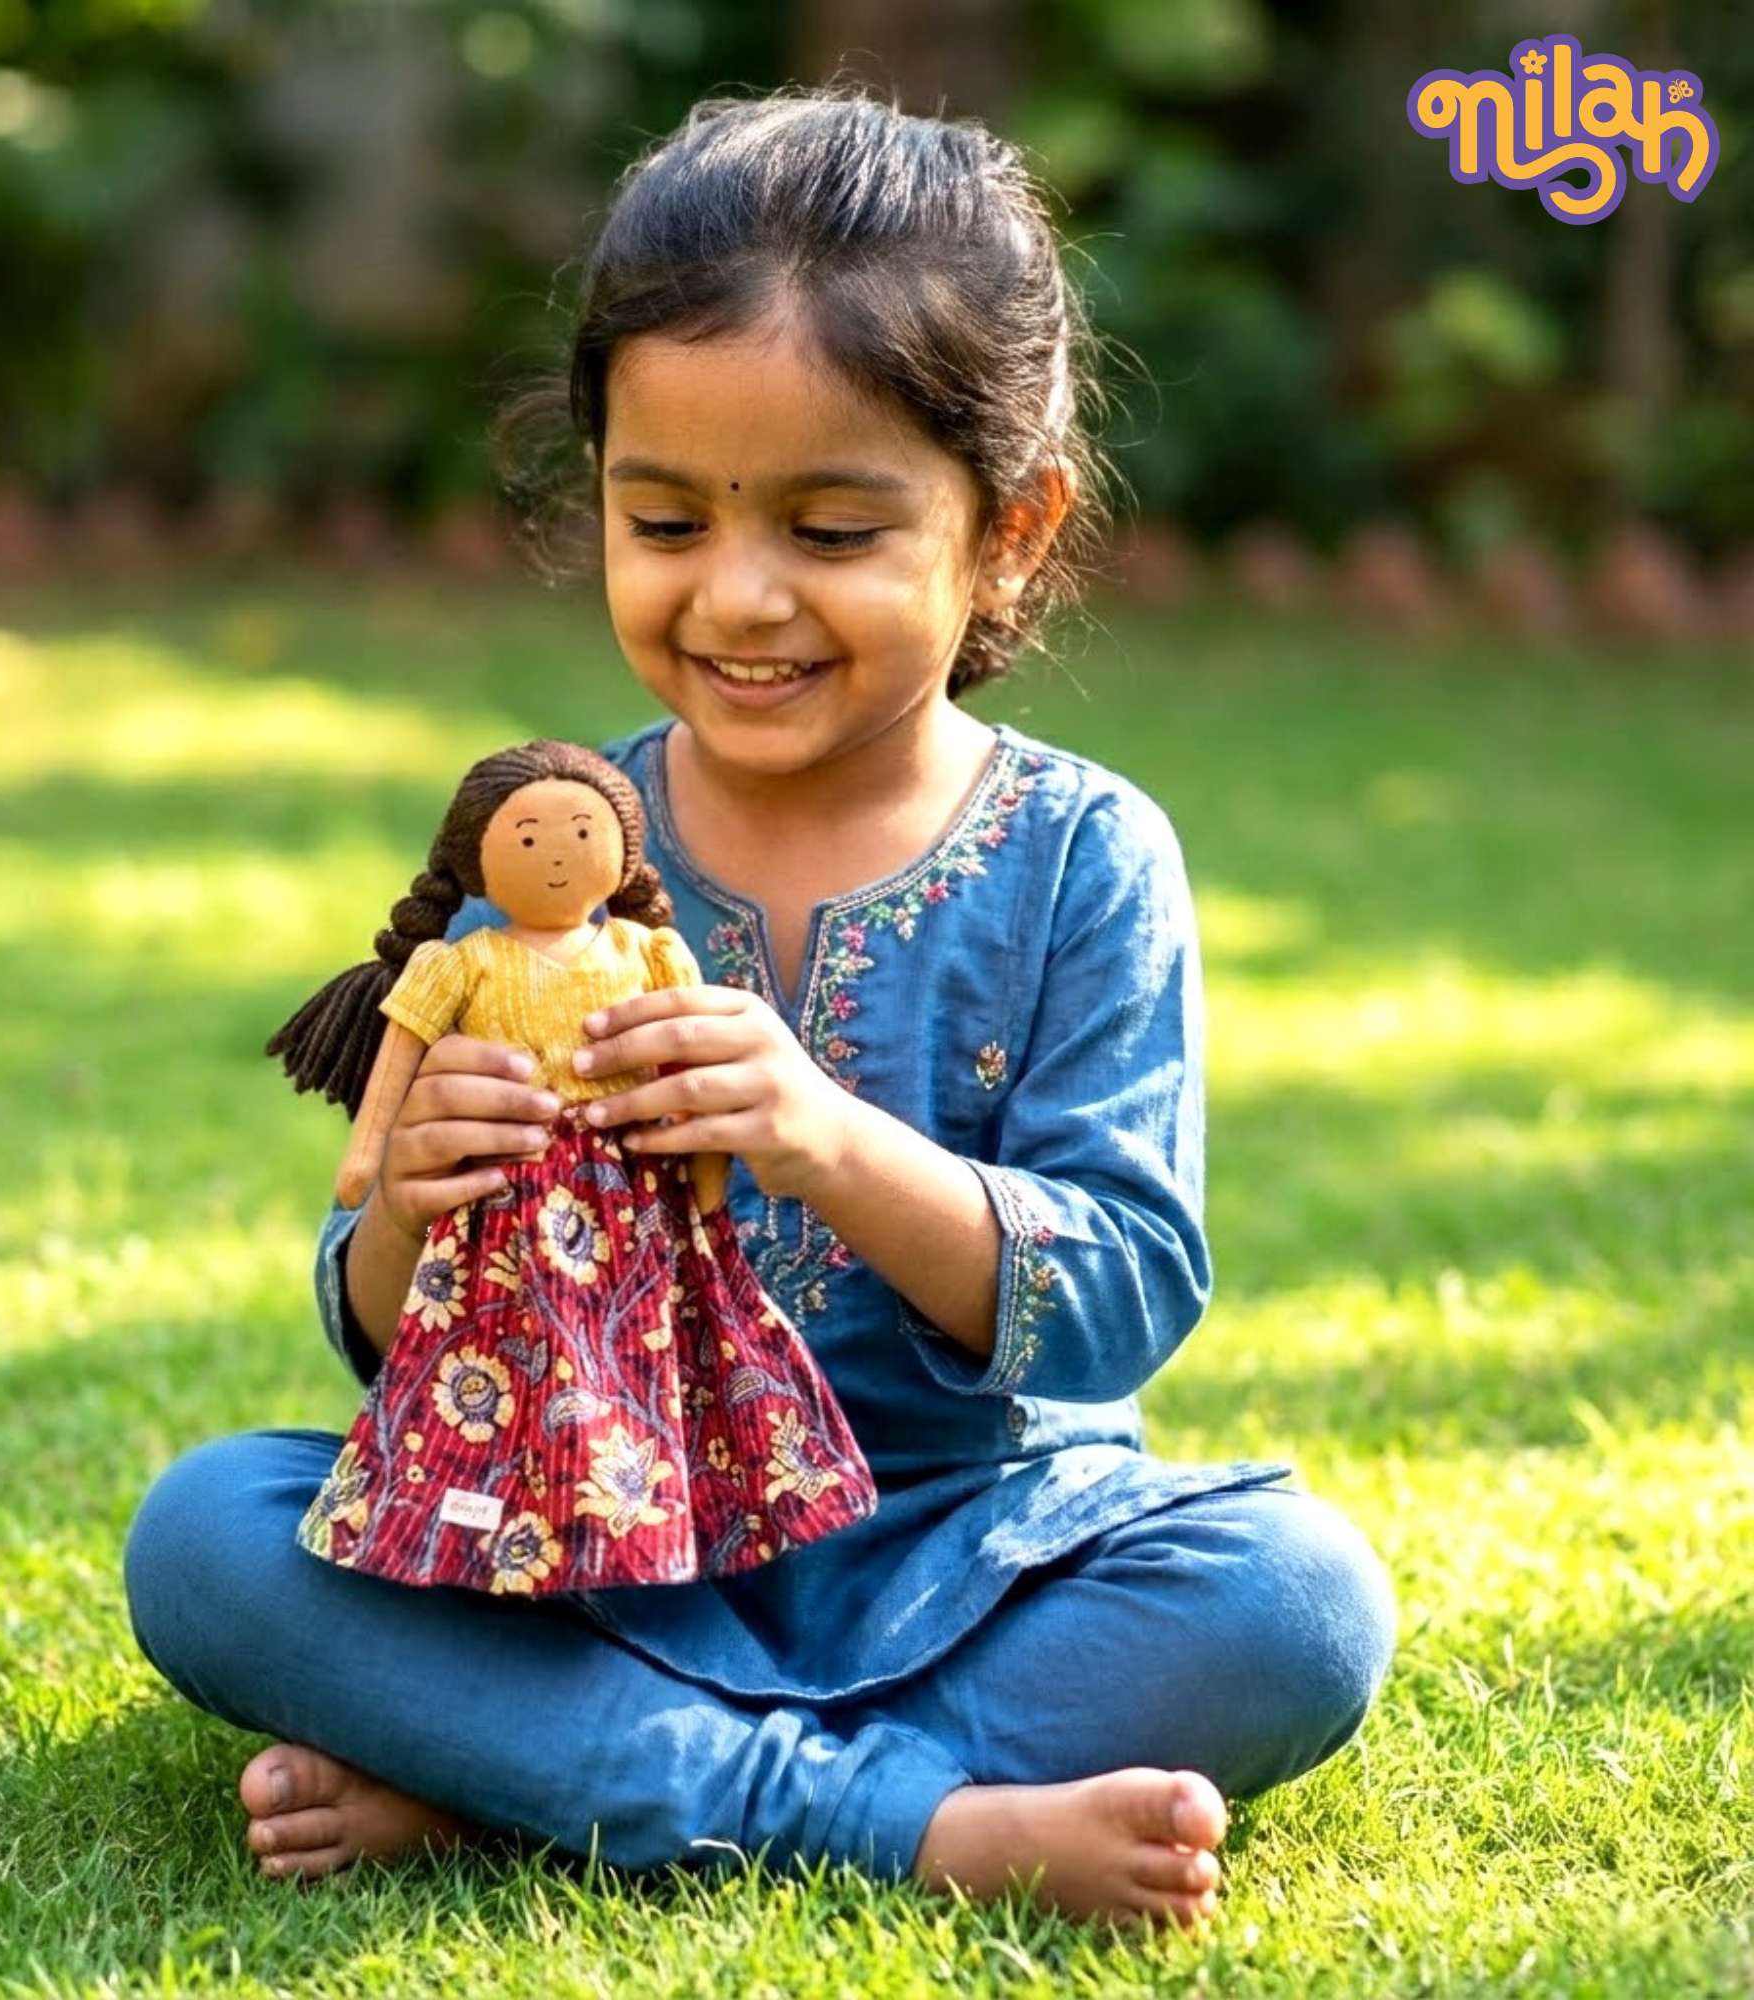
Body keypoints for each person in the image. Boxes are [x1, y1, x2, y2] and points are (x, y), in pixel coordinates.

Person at [124, 86, 1396, 1929]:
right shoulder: (543, 848)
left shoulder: (1083, 857)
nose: (740, 595)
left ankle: (540, 1775)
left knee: (1294, 1597)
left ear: (1011, 530)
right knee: (210, 1537)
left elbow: (1122, 1295)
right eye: (668, 517)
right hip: (593, 1536)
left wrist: (822, 1137)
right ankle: (905, 1817)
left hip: (975, 1547)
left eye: (828, 527)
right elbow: (403, 1344)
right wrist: (412, 1197)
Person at [266, 738, 874, 1594]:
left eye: (578, 832)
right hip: (511, 1269)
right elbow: (390, 1090)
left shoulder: (648, 954)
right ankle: (603, 1644)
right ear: (472, 854)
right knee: (214, 1516)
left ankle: (495, 1707)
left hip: (653, 1241)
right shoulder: (466, 956)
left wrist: (727, 1168)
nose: (555, 853)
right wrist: (386, 1175)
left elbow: (689, 1084)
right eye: (526, 839)